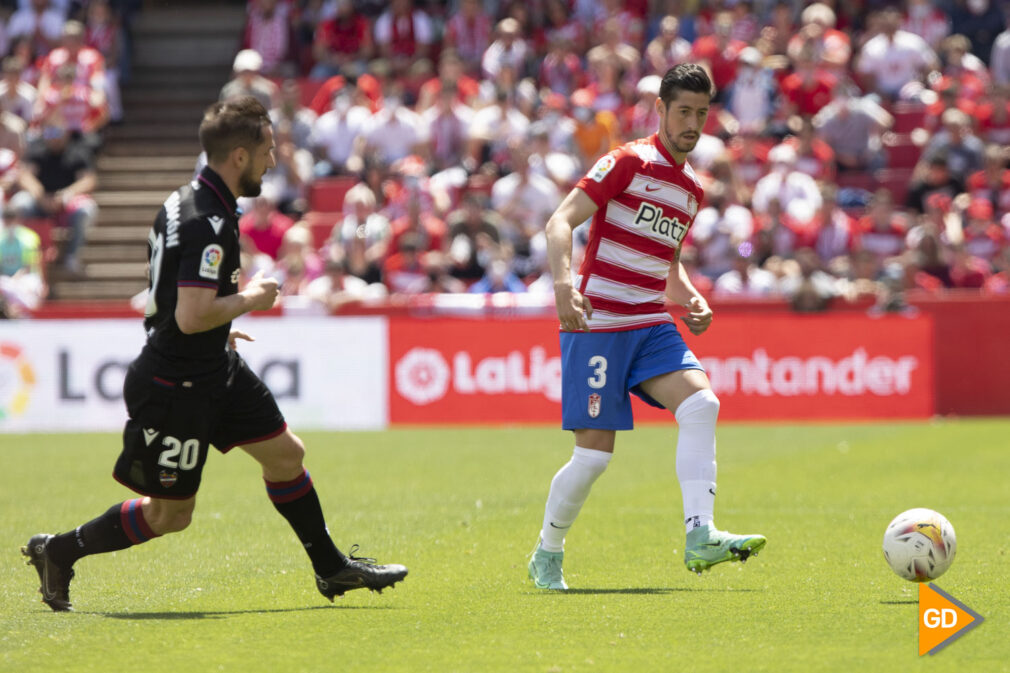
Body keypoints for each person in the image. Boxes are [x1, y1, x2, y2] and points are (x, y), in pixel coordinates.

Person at [21, 97, 407, 612]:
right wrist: (253, 298)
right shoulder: (210, 222)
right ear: (240, 156)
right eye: (267, 151)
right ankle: (59, 550)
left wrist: (217, 332)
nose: (273, 162)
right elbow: (189, 314)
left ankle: (330, 568)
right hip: (176, 385)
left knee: (286, 454)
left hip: (211, 366)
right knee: (170, 515)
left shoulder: (184, 201)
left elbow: (166, 293)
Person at [527, 64, 766, 591]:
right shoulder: (628, 160)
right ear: (660, 109)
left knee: (702, 404)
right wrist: (564, 286)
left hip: (650, 322)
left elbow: (667, 261)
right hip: (599, 324)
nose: (692, 122)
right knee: (592, 458)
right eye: (683, 111)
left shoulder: (691, 190)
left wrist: (690, 297)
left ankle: (700, 534)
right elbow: (559, 222)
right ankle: (547, 551)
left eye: (701, 113)